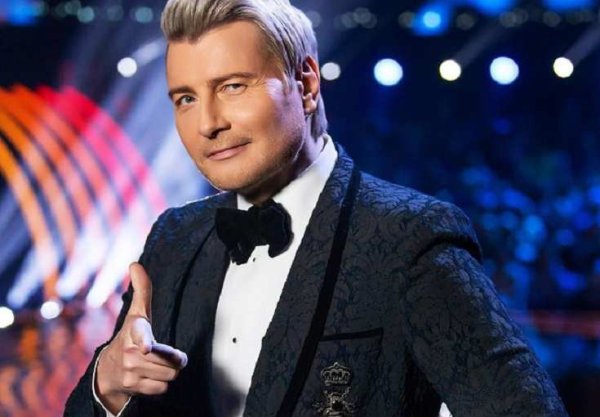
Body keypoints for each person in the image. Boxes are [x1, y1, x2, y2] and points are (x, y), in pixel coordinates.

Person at [65, 0, 568, 416]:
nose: (207, 124)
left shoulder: (410, 237)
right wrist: (107, 383)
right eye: (185, 99)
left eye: (232, 86)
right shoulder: (173, 237)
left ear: (305, 84)